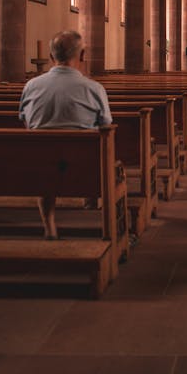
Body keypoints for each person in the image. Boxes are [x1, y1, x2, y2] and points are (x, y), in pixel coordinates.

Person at [19, 30, 112, 239]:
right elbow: (106, 126)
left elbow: (26, 122)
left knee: (45, 158)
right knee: (94, 146)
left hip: (40, 164)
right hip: (84, 166)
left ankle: (49, 224)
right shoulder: (94, 89)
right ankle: (92, 201)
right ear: (82, 56)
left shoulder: (31, 86)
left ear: (52, 57)